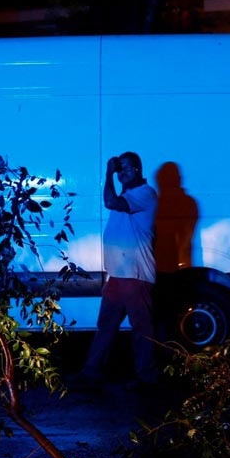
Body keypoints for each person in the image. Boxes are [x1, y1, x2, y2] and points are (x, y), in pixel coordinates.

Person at [77, 151, 159, 389]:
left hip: (136, 275)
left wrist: (108, 173)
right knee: (106, 326)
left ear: (137, 170)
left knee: (142, 329)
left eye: (125, 168)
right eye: (118, 168)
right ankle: (92, 372)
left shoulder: (144, 194)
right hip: (120, 276)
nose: (121, 172)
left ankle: (147, 377)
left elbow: (109, 201)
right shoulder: (129, 196)